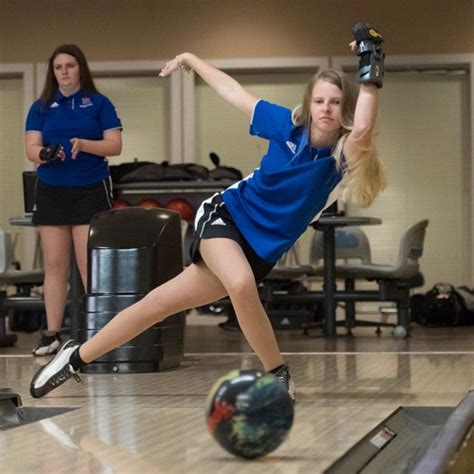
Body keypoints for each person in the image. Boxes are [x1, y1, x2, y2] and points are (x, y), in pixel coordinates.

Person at [30, 23, 386, 402]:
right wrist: (192, 59)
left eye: (333, 102)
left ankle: (76, 357)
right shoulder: (285, 125)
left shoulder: (339, 157)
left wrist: (371, 63)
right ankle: (278, 375)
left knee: (159, 303)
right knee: (240, 285)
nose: (326, 109)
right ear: (309, 104)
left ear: (342, 108)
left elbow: (363, 125)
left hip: (259, 250)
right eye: (319, 101)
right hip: (226, 217)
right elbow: (234, 93)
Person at [25, 44, 122, 355]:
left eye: (69, 65)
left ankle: (99, 334)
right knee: (54, 265)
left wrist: (85, 144)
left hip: (89, 189)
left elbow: (114, 145)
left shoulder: (99, 103)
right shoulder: (40, 107)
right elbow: (31, 148)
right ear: (52, 72)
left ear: (80, 68)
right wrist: (46, 153)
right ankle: (52, 334)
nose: (64, 71)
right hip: (52, 190)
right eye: (58, 67)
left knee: (88, 265)